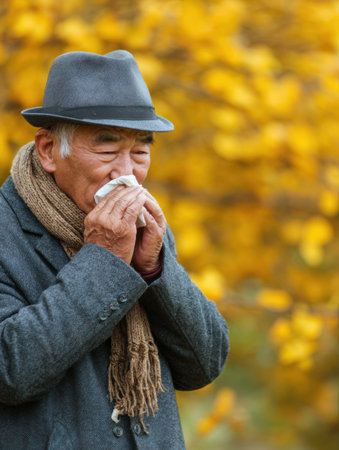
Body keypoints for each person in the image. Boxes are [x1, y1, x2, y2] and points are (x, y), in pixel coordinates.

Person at [0, 50, 229, 449]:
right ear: (49, 150)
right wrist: (105, 262)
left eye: (140, 151)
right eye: (107, 150)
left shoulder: (146, 229)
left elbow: (205, 364)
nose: (126, 173)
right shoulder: (6, 229)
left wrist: (155, 269)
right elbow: (10, 371)